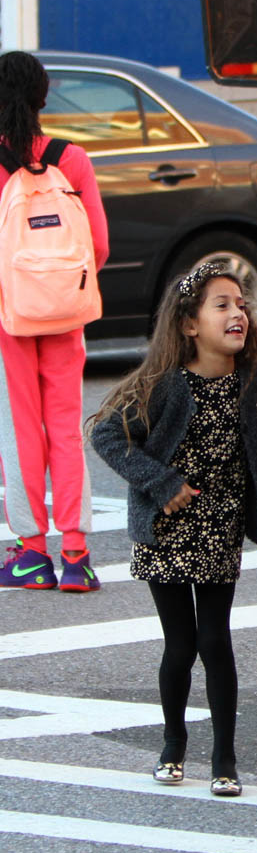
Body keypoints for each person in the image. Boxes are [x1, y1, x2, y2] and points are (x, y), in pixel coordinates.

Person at [90, 261, 257, 796]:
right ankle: (173, 746)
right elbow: (108, 436)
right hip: (167, 531)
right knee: (180, 645)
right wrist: (160, 482)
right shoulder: (164, 385)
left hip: (220, 529)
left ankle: (225, 759)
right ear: (189, 324)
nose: (238, 313)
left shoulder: (251, 383)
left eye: (241, 304)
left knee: (215, 641)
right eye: (222, 305)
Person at [0, 50, 109, 591]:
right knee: (65, 430)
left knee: (20, 432)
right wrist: (60, 290)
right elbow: (99, 246)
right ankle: (76, 555)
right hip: (67, 315)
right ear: (43, 98)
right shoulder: (73, 159)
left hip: (8, 320)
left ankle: (30, 554)